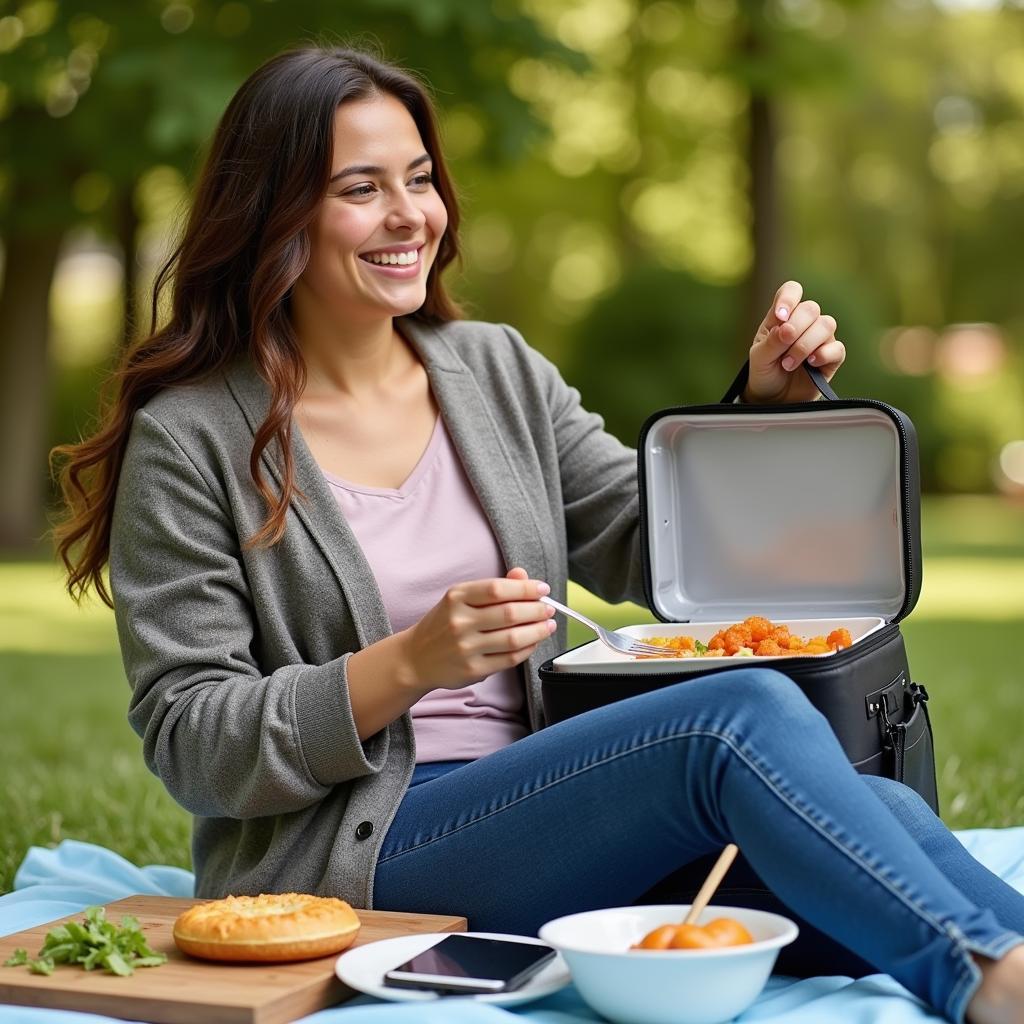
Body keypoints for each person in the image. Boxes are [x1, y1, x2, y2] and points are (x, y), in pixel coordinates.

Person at [51, 46, 1024, 1024]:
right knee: (736, 720)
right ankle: (988, 983)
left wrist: (758, 417)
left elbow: (657, 550)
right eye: (361, 187)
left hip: (572, 813)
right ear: (273, 213)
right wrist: (406, 662)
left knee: (878, 824)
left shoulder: (494, 371)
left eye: (420, 178)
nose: (409, 215)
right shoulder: (191, 437)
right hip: (367, 846)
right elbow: (190, 737)